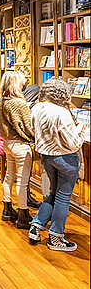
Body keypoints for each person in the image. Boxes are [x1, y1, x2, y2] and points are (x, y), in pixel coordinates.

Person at [29, 78, 87, 251]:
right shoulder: (62, 112)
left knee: (53, 194)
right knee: (63, 198)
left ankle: (36, 226)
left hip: (47, 157)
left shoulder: (37, 108)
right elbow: (73, 143)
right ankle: (56, 237)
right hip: (66, 158)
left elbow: (33, 130)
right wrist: (82, 129)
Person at [0, 71, 35, 229]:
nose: (24, 85)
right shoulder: (19, 103)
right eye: (22, 82)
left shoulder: (2, 100)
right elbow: (28, 127)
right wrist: (35, 137)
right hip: (20, 145)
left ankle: (7, 209)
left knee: (8, 177)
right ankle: (23, 214)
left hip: (8, 143)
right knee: (22, 181)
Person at [22, 83, 45, 209]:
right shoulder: (33, 108)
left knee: (24, 175)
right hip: (31, 144)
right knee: (26, 174)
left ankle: (26, 198)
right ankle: (26, 201)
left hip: (22, 145)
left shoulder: (23, 106)